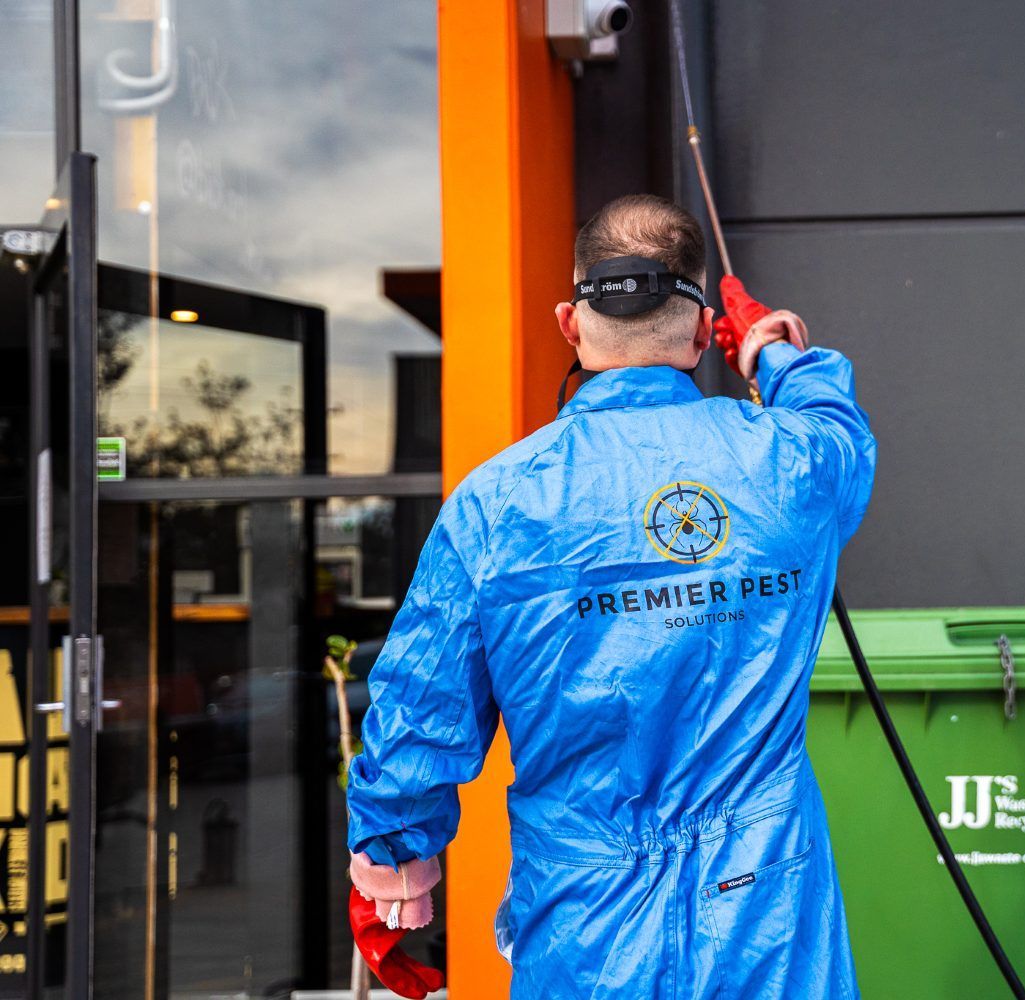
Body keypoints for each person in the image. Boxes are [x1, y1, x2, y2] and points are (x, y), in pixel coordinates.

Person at [345, 193, 876, 999]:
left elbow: (421, 706)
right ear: (702, 335)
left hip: (587, 926)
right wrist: (769, 349)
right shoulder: (793, 464)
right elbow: (837, 422)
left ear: (571, 324)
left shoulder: (498, 502)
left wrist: (395, 872)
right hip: (765, 912)